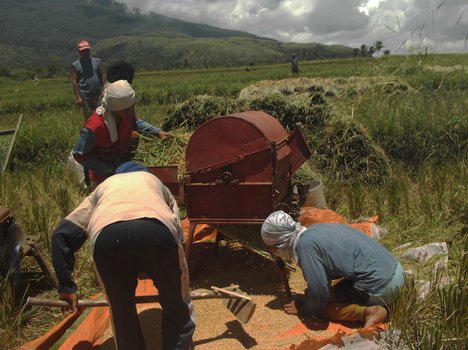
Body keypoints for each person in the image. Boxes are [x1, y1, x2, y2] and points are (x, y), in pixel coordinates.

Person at [51, 161, 194, 350]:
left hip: (107, 240)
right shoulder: (155, 182)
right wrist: (163, 269)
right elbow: (178, 232)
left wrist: (66, 286)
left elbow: (61, 235)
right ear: (143, 172)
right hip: (156, 230)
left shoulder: (102, 189)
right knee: (177, 305)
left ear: (117, 175)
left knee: (121, 311)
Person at [261, 210, 404, 328]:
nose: (274, 252)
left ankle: (369, 312)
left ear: (280, 244)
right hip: (397, 272)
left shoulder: (305, 247)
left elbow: (320, 295)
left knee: (323, 306)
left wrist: (304, 307)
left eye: (273, 248)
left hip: (383, 286)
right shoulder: (316, 230)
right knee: (327, 293)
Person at [72, 79, 171, 191]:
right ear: (113, 109)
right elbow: (79, 154)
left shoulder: (126, 115)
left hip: (124, 169)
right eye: (126, 111)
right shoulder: (95, 126)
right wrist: (108, 170)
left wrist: (158, 132)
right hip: (102, 178)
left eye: (132, 108)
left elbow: (136, 123)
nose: (130, 113)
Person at [70, 40, 105, 120]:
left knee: (101, 115)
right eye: (83, 51)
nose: (85, 53)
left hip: (97, 94)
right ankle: (91, 132)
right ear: (79, 52)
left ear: (89, 50)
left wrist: (104, 90)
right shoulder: (76, 65)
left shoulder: (97, 62)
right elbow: (75, 82)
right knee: (89, 118)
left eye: (87, 50)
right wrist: (78, 97)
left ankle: (101, 132)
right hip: (85, 96)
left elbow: (102, 77)